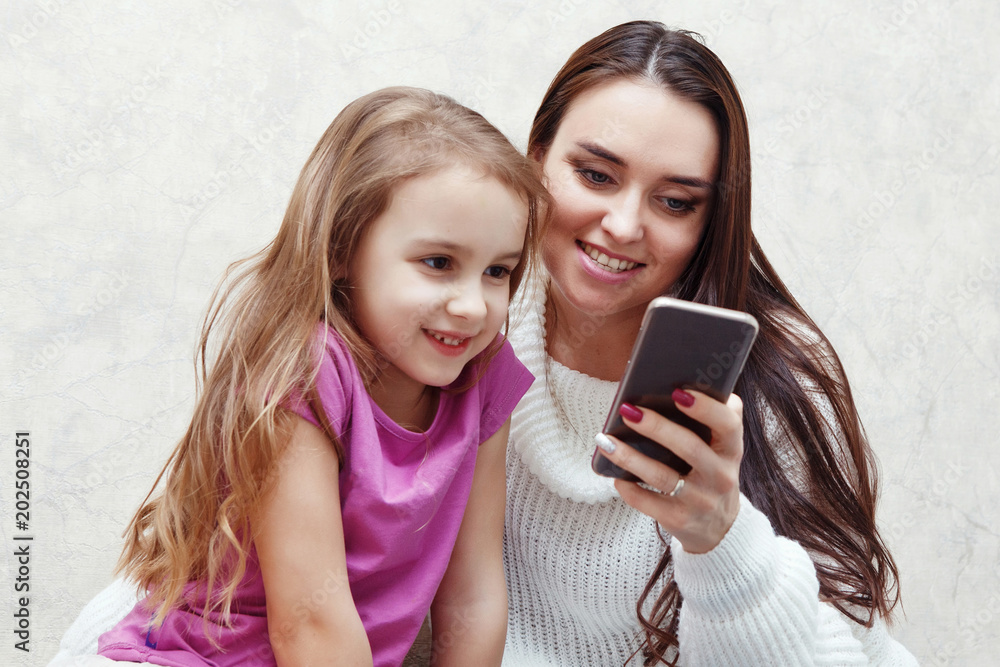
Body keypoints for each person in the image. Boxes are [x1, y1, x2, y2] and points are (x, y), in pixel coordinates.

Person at [58, 86, 546, 667]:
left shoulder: (485, 378)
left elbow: (474, 592)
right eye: (438, 263)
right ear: (341, 250)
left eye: (498, 271)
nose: (472, 305)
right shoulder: (306, 371)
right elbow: (309, 621)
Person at [501, 21, 917, 665]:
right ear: (535, 160)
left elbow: (851, 651)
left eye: (673, 202)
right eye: (595, 175)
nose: (623, 225)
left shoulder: (766, 385)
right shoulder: (463, 333)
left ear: (710, 220)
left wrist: (719, 539)